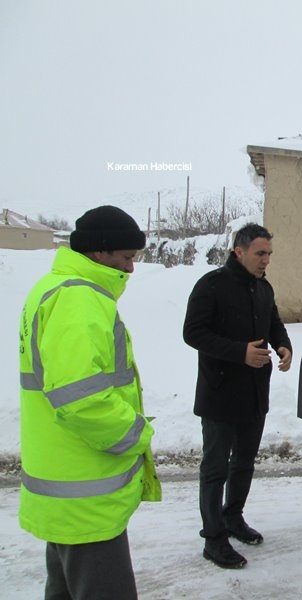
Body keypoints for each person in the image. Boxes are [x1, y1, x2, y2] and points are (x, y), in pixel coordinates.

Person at [18, 205, 161, 599]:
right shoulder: (78, 301)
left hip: (65, 487)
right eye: (127, 257)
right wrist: (135, 435)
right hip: (85, 494)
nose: (131, 269)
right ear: (99, 253)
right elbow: (82, 398)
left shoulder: (53, 289)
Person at [183, 223, 293, 569]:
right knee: (215, 468)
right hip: (219, 392)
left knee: (244, 463)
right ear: (239, 251)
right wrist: (238, 352)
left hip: (254, 392)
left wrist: (283, 345)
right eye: (261, 253)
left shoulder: (263, 288)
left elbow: (273, 322)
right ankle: (213, 538)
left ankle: (234, 518)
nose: (266, 260)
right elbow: (193, 333)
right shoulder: (212, 285)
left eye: (269, 254)